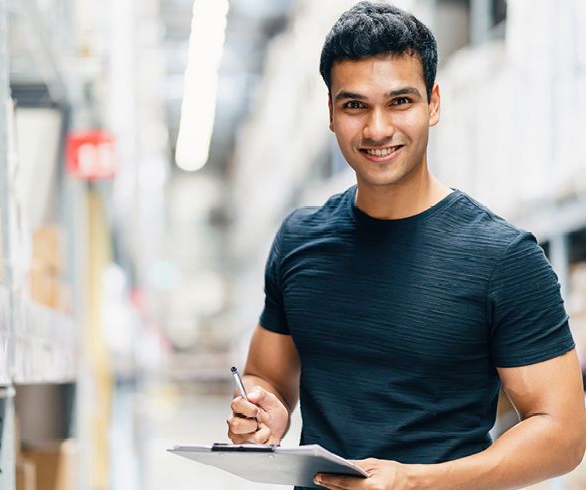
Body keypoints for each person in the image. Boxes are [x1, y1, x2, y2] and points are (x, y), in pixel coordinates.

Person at [226, 2, 586, 489]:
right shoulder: (299, 240)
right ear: (330, 112)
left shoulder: (503, 257)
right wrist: (265, 408)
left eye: (400, 102)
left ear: (434, 104)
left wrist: (417, 481)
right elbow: (267, 375)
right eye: (355, 105)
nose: (377, 129)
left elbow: (563, 434)